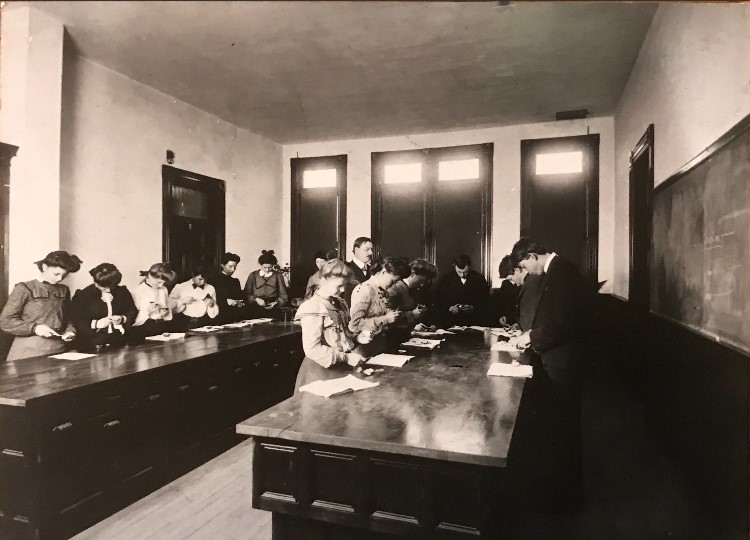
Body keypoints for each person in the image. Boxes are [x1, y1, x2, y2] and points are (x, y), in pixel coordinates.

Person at [506, 237, 592, 509]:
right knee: (557, 429)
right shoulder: (557, 271)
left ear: (533, 255)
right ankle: (559, 492)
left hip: (563, 364)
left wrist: (532, 336)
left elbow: (568, 323)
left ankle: (566, 498)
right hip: (556, 360)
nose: (528, 272)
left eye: (524, 265)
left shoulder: (563, 272)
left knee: (564, 428)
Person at [293, 259, 366, 391]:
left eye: (344, 285)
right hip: (320, 371)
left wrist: (357, 338)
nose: (343, 289)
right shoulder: (313, 307)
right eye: (339, 286)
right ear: (324, 281)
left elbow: (341, 335)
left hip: (342, 367)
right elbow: (312, 349)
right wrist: (346, 357)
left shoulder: (339, 303)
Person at [0, 250, 81, 361]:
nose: (59, 279)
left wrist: (70, 331)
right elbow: (5, 321)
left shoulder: (64, 290)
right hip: (28, 352)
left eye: (64, 275)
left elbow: (68, 318)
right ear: (44, 267)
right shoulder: (24, 288)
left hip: (58, 350)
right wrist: (35, 328)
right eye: (56, 274)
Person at [349, 257, 409, 356]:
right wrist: (386, 319)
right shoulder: (364, 290)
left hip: (380, 348)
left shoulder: (381, 290)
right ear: (383, 272)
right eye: (392, 281)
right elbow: (355, 324)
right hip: (365, 350)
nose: (393, 285)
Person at [71, 263, 137, 352]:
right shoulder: (83, 295)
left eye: (112, 286)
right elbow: (76, 320)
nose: (109, 290)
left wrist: (122, 318)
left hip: (118, 343)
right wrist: (96, 324)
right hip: (92, 346)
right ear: (96, 282)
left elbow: (132, 311)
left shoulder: (122, 291)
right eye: (104, 287)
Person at [386, 258, 438, 345]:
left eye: (424, 282)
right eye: (420, 281)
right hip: (393, 340)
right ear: (413, 273)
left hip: (406, 338)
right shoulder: (395, 289)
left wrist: (417, 323)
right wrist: (412, 314)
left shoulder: (413, 290)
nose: (422, 285)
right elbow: (387, 316)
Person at [433, 254, 489, 326]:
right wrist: (449, 308)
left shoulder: (479, 279)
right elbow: (438, 301)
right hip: (450, 321)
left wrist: (473, 308)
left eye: (465, 272)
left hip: (474, 321)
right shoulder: (446, 279)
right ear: (454, 266)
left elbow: (486, 301)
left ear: (470, 267)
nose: (462, 275)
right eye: (459, 272)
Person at [131, 262, 176, 340]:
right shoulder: (138, 291)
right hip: (144, 329)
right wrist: (148, 311)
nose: (161, 285)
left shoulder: (163, 289)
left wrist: (165, 313)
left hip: (161, 327)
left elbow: (167, 310)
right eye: (159, 282)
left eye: (163, 282)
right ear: (149, 276)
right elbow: (133, 320)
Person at [169, 266, 219, 330]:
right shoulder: (180, 287)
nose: (202, 282)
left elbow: (213, 314)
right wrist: (181, 301)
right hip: (184, 324)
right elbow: (169, 306)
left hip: (204, 323)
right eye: (200, 279)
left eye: (205, 279)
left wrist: (211, 305)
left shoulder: (211, 288)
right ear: (193, 275)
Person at [244, 249, 288, 317]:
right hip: (255, 307)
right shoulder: (253, 275)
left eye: (270, 267)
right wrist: (256, 299)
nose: (267, 270)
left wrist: (276, 303)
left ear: (273, 265)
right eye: (265, 267)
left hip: (273, 307)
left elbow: (284, 296)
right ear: (260, 265)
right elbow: (246, 295)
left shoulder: (278, 275)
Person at [486, 255, 523, 327]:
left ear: (517, 270)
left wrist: (520, 324)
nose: (513, 282)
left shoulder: (528, 285)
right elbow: (501, 304)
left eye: (511, 279)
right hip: (510, 325)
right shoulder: (506, 284)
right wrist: (501, 316)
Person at [211, 252, 246, 323]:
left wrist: (240, 302)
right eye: (230, 266)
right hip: (220, 316)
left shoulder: (235, 281)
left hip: (235, 316)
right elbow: (211, 298)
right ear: (222, 265)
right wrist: (226, 301)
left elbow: (239, 297)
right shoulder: (214, 280)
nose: (233, 269)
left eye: (235, 267)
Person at [343, 237, 373, 304]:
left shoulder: (372, 269)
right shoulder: (346, 269)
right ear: (356, 250)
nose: (371, 252)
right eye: (367, 249)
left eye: (371, 249)